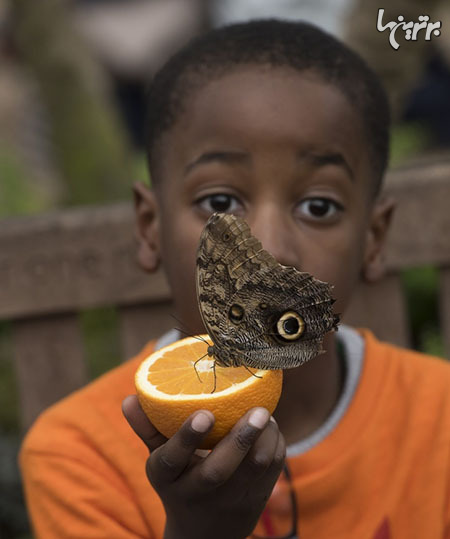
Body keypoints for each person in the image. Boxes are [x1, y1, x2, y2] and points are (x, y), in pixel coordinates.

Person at [20, 20, 450, 538]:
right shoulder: (81, 452)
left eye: (318, 205)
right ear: (149, 227)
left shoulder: (439, 421)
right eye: (220, 202)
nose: (270, 247)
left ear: (374, 239)